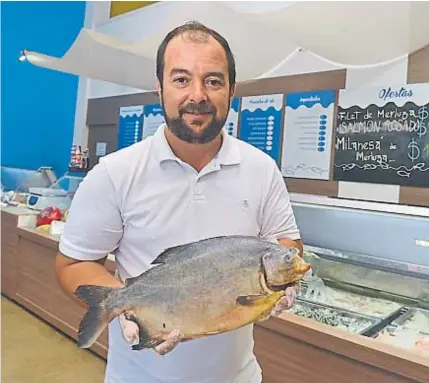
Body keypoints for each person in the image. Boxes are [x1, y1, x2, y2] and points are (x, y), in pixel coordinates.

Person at [55, 20, 303, 383]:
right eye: (181, 79)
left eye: (213, 80)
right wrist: (125, 307)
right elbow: (73, 264)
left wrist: (282, 279)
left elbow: (287, 242)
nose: (198, 95)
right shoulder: (115, 173)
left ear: (231, 91)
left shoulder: (261, 169)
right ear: (160, 88)